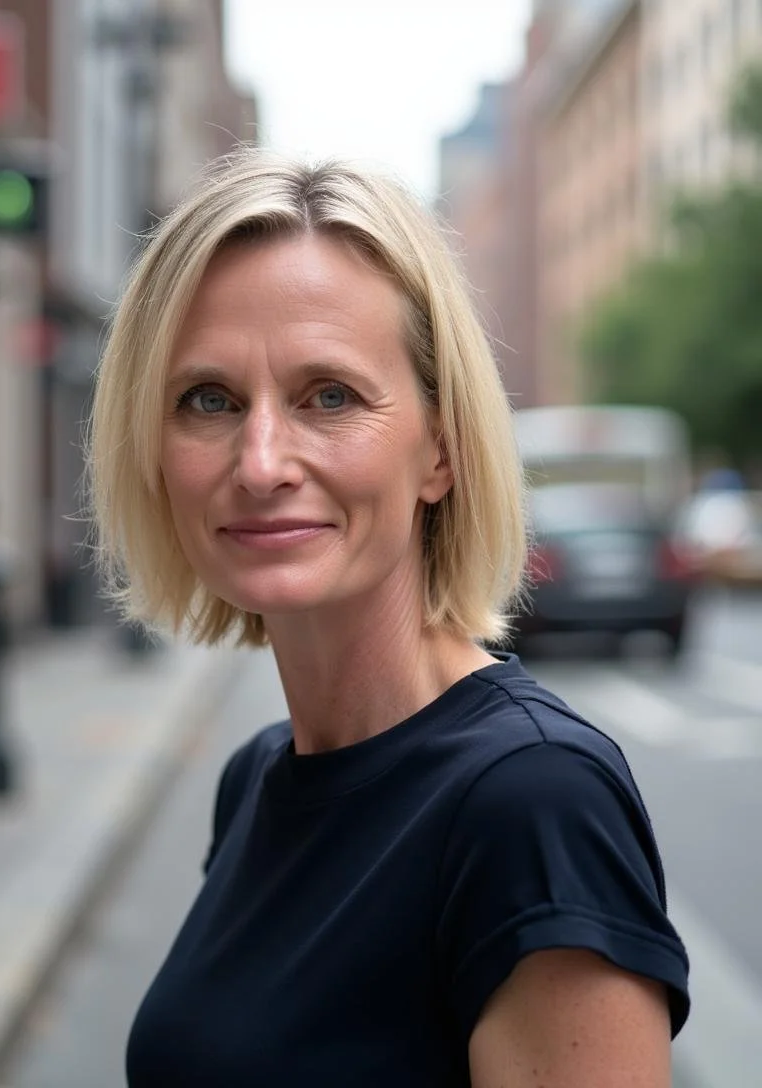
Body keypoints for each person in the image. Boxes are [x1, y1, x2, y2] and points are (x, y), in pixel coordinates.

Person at [88, 148, 689, 1087]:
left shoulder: (534, 802)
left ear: (440, 449)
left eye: (329, 396)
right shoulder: (257, 779)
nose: (260, 462)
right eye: (209, 400)